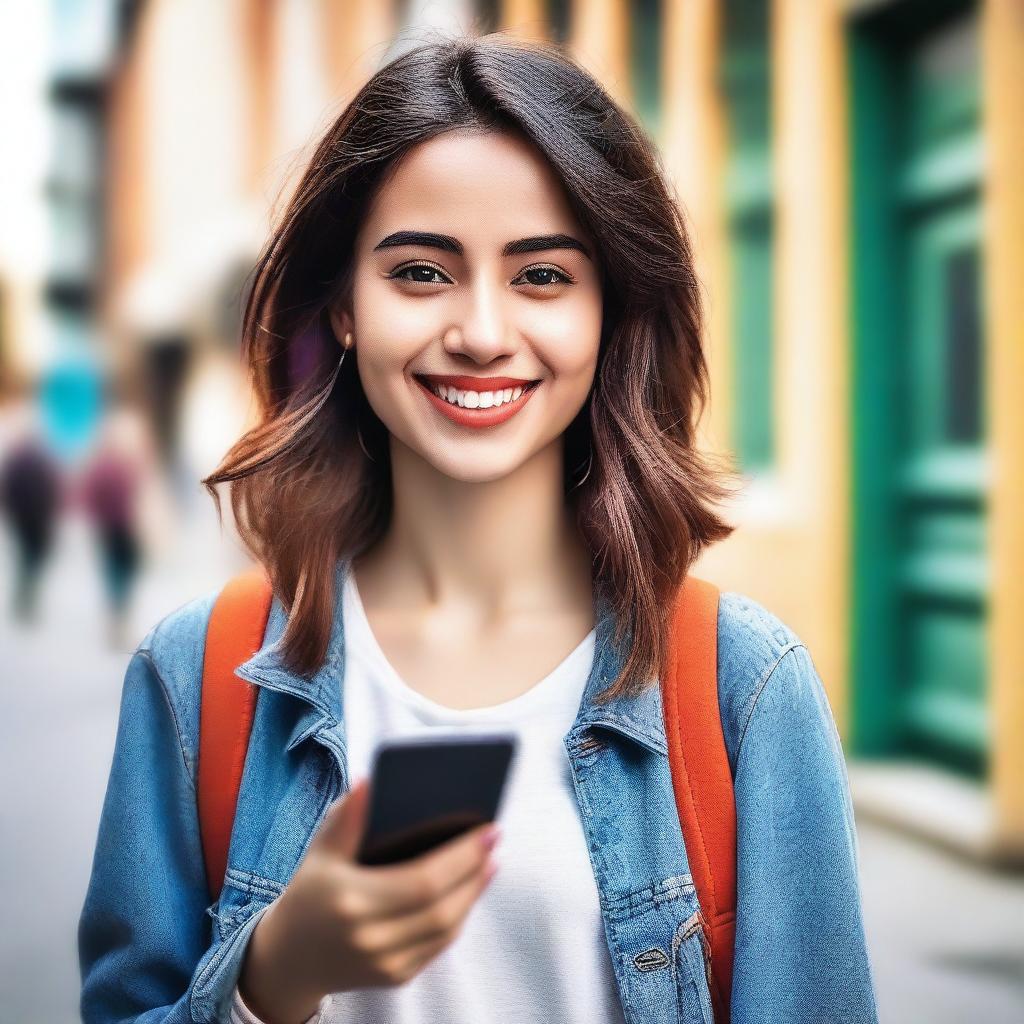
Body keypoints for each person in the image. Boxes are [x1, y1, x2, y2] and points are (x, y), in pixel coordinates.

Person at [77, 33, 880, 1024]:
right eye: (420, 272)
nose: (482, 331)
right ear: (342, 309)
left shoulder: (741, 686)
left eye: (542, 276)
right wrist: (270, 974)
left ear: (608, 310)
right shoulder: (194, 677)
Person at [0, 433, 62, 622]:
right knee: (33, 560)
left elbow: (7, 490)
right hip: (38, 520)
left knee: (26, 559)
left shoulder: (17, 463)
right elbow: (53, 491)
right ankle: (28, 599)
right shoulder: (45, 465)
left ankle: (23, 598)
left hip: (24, 519)